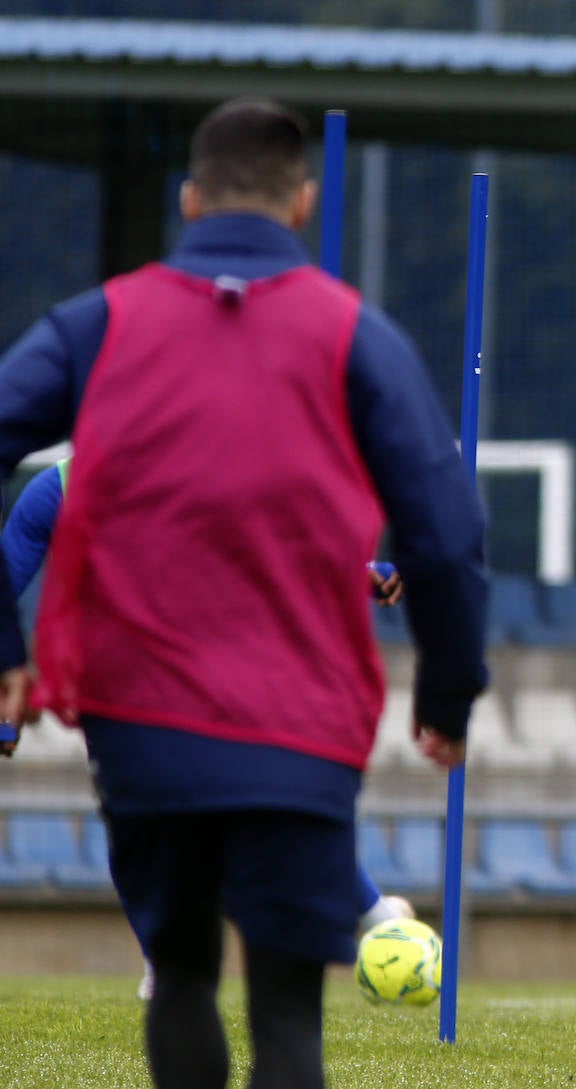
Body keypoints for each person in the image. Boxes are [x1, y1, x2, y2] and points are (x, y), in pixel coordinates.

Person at [0, 97, 488, 1089]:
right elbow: (445, 529)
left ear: (189, 199)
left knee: (179, 978)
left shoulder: (99, 322)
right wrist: (448, 693)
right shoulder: (358, 335)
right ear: (303, 203)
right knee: (286, 1011)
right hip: (298, 724)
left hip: (140, 722)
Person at [0, 457, 416, 1001]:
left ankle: (373, 914)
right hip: (117, 674)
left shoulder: (204, 460)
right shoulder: (56, 488)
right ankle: (163, 962)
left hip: (214, 656)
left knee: (265, 796)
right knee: (141, 815)